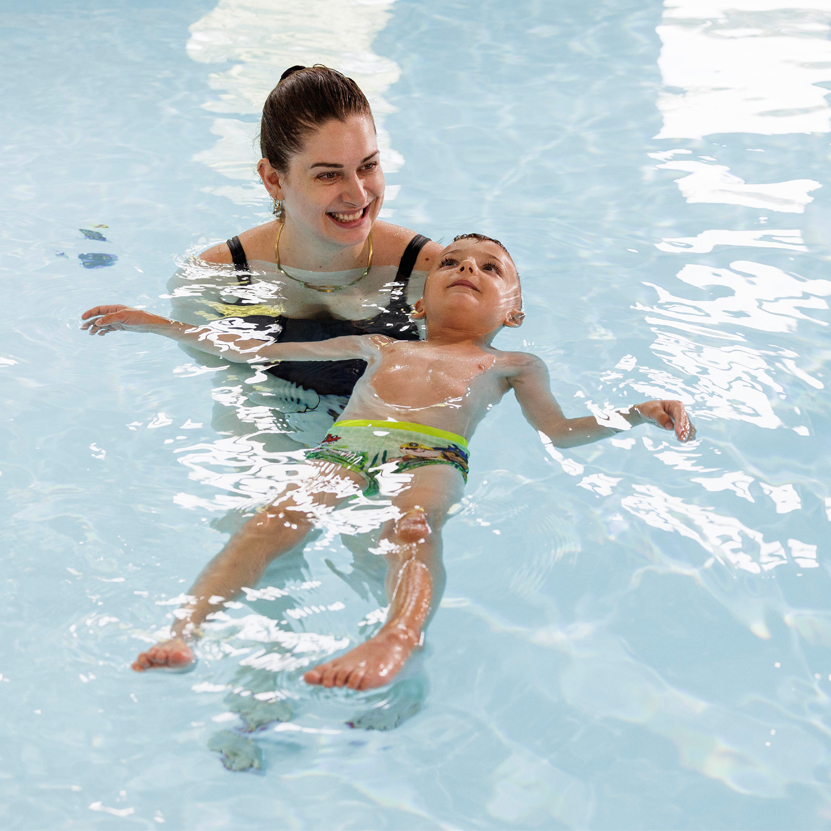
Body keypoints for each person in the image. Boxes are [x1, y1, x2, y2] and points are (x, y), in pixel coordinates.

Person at [81, 234, 695, 691]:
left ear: (513, 310)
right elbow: (259, 349)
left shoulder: (513, 364)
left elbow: (561, 432)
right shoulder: (380, 343)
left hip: (432, 455)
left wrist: (636, 414)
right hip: (347, 447)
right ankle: (185, 631)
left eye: (489, 267)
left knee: (411, 529)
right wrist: (162, 326)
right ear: (420, 304)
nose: (466, 269)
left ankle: (395, 638)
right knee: (273, 520)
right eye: (450, 262)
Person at [171, 64, 443, 446]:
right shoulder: (218, 280)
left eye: (368, 166)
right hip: (273, 451)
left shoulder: (432, 272)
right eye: (328, 175)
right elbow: (224, 388)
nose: (359, 195)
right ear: (273, 180)